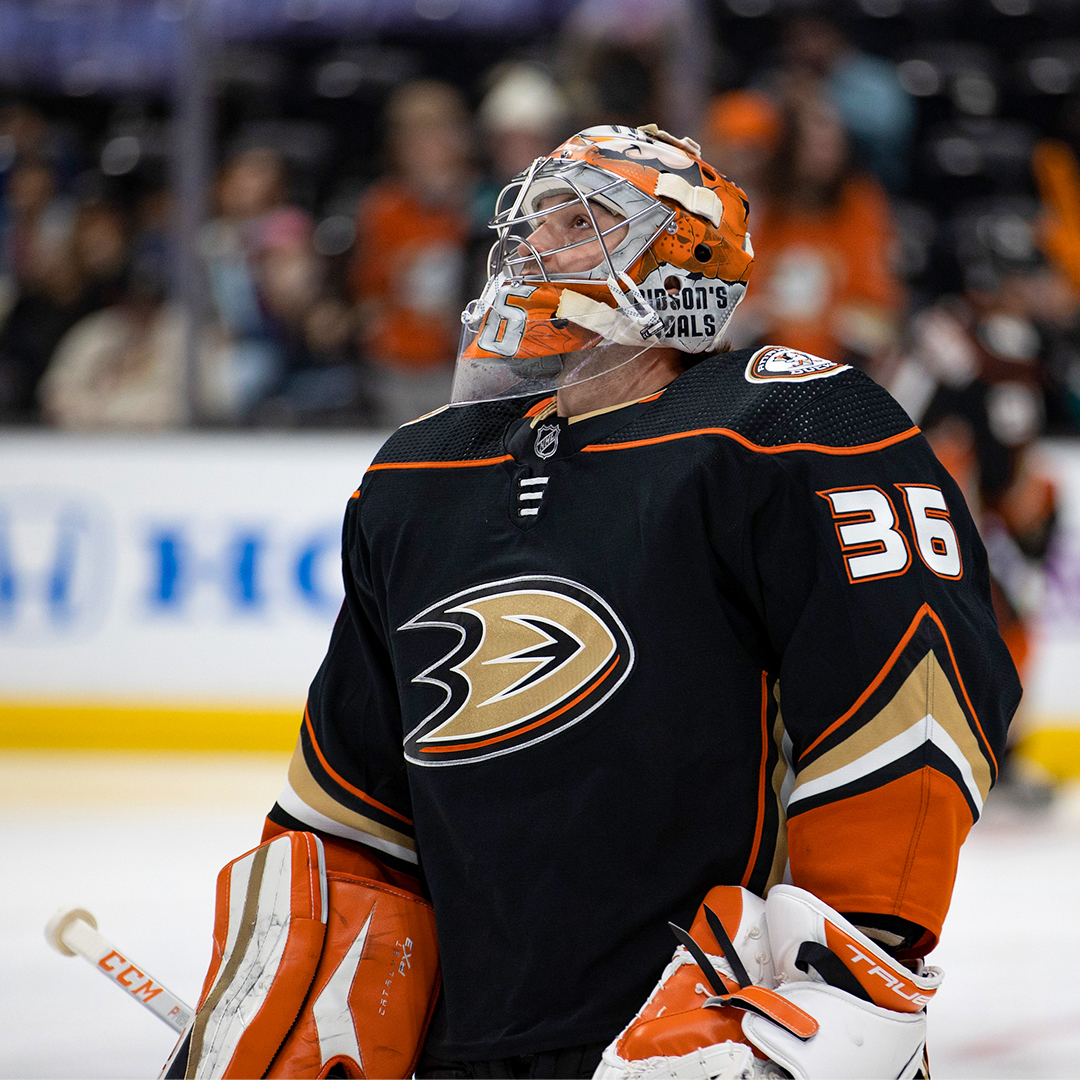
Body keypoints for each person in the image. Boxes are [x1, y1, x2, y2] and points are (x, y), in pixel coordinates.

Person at [166, 126, 1018, 1080]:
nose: (531, 247)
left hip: (711, 1031)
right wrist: (304, 985)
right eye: (532, 222)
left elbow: (915, 687)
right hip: (470, 1044)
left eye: (579, 223)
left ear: (679, 264)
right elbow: (355, 801)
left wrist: (850, 973)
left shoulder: (788, 427)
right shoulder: (420, 474)